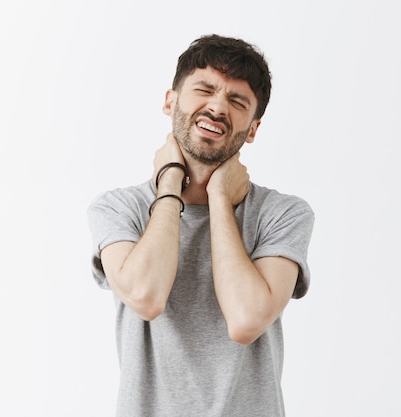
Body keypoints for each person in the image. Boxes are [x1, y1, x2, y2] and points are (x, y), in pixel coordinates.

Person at [87, 34, 314, 417]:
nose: (217, 107)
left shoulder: (283, 214)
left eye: (237, 101)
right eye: (204, 89)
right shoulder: (119, 208)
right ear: (170, 101)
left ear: (253, 128)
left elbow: (246, 321)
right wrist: (171, 180)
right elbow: (146, 297)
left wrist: (220, 201)